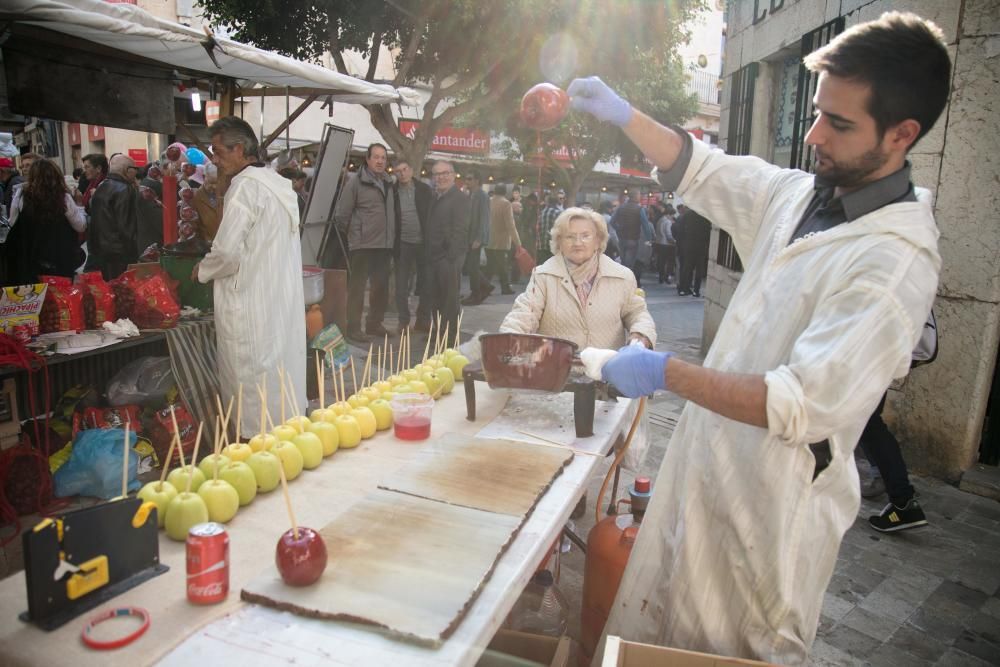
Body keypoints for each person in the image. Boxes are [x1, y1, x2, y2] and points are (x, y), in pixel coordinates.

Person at [569, 11, 949, 664]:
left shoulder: (895, 264)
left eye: (839, 122)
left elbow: (799, 402)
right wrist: (624, 114)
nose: (813, 134)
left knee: (732, 647)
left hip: (768, 518)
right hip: (704, 473)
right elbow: (703, 169)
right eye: (817, 112)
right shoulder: (801, 195)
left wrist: (665, 372)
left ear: (902, 134)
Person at [194, 116, 306, 437]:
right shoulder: (278, 186)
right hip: (278, 301)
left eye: (217, 151)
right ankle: (284, 438)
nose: (214, 159)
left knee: (253, 379)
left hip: (251, 305)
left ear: (239, 149)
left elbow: (226, 254)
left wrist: (202, 270)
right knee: (279, 372)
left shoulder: (245, 188)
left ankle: (255, 443)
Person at [500, 207, 655, 350]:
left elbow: (637, 313)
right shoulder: (543, 275)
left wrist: (641, 335)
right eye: (570, 236)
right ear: (559, 242)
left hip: (606, 372)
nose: (577, 243)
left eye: (585, 236)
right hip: (557, 372)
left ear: (598, 240)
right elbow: (525, 313)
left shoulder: (622, 276)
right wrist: (508, 338)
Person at [334, 143, 396, 342]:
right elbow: (342, 215)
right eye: (376, 157)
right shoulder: (355, 182)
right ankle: (353, 328)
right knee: (357, 289)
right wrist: (356, 235)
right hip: (362, 246)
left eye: (383, 158)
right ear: (368, 160)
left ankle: (374, 324)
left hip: (384, 245)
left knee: (380, 288)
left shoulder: (388, 182)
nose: (380, 161)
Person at [5, 159, 86, 284]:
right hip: (60, 257)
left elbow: (13, 222)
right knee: (59, 297)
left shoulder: (21, 195)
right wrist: (80, 205)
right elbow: (80, 226)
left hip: (31, 256)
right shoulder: (63, 197)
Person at [425, 161, 470, 337]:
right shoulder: (436, 196)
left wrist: (451, 256)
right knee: (435, 298)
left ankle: (450, 338)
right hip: (433, 257)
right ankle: (439, 333)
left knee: (449, 301)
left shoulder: (460, 198)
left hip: (448, 258)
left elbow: (461, 230)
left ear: (453, 175)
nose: (441, 177)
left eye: (445, 173)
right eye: (437, 174)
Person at [393, 159, 433, 333]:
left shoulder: (424, 190)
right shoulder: (392, 191)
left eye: (404, 169)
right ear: (395, 173)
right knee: (401, 285)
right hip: (402, 244)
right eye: (398, 171)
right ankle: (403, 321)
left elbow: (432, 214)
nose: (402, 174)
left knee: (426, 284)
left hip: (423, 243)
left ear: (411, 170)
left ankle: (423, 320)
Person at [85, 153, 138, 280]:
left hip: (101, 251)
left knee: (110, 287)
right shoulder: (125, 189)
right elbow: (126, 226)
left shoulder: (102, 185)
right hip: (119, 253)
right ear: (126, 170)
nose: (136, 173)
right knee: (121, 290)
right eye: (134, 169)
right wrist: (135, 252)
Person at [461, 170, 492, 306]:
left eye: (469, 178)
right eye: (466, 179)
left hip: (476, 237)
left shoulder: (482, 196)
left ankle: (476, 294)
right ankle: (485, 286)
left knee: (472, 267)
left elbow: (484, 218)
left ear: (477, 181)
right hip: (469, 236)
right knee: (470, 266)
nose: (466, 181)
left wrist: (479, 238)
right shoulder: (471, 195)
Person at [484, 184, 521, 296]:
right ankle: (505, 288)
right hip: (501, 240)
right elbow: (510, 225)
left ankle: (484, 286)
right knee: (502, 266)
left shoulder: (488, 201)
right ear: (505, 193)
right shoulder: (506, 204)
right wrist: (518, 242)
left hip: (488, 238)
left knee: (490, 265)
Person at [610, 194, 649, 284]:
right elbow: (645, 224)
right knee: (629, 263)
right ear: (636, 198)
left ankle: (622, 280)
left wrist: (618, 229)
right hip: (633, 238)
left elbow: (612, 221)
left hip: (622, 238)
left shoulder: (620, 208)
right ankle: (626, 282)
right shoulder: (640, 209)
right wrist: (648, 238)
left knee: (623, 261)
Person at [673, 205, 711, 297]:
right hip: (701, 246)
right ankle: (696, 291)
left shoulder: (687, 214)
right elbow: (708, 231)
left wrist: (681, 243)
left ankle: (683, 289)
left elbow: (680, 230)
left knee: (686, 268)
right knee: (699, 269)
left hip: (688, 245)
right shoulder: (705, 215)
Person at [191, 163, 224, 241]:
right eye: (211, 183)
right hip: (205, 247)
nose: (214, 187)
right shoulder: (195, 197)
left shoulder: (225, 194)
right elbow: (193, 226)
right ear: (203, 177)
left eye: (217, 183)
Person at [536, 195, 561, 265]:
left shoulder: (542, 212)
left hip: (542, 245)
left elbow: (538, 228)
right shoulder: (558, 212)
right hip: (553, 245)